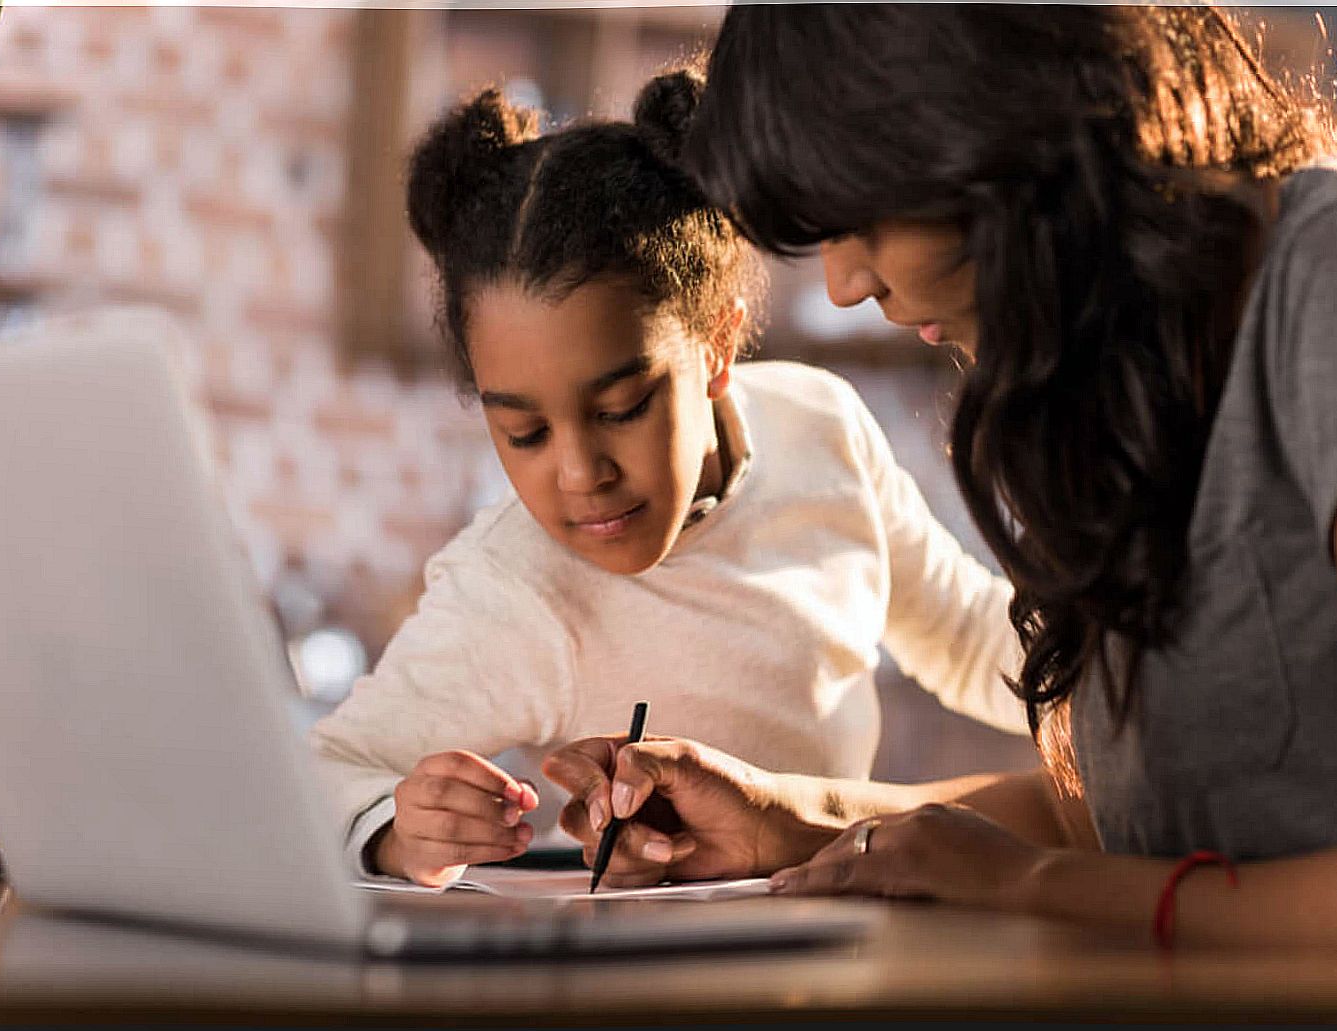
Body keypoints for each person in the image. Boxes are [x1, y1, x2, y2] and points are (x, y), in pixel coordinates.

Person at [544, 6, 1337, 952]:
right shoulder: (1109, 373)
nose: (842, 285)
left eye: (857, 216)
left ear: (989, 114)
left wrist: (1030, 884)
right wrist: (795, 819)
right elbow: (1124, 821)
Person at [308, 67, 1030, 887]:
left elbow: (971, 639)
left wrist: (1135, 683)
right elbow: (323, 769)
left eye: (621, 407)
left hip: (845, 942)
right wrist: (397, 828)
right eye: (525, 432)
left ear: (718, 342)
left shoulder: (818, 425)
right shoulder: (511, 590)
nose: (581, 473)